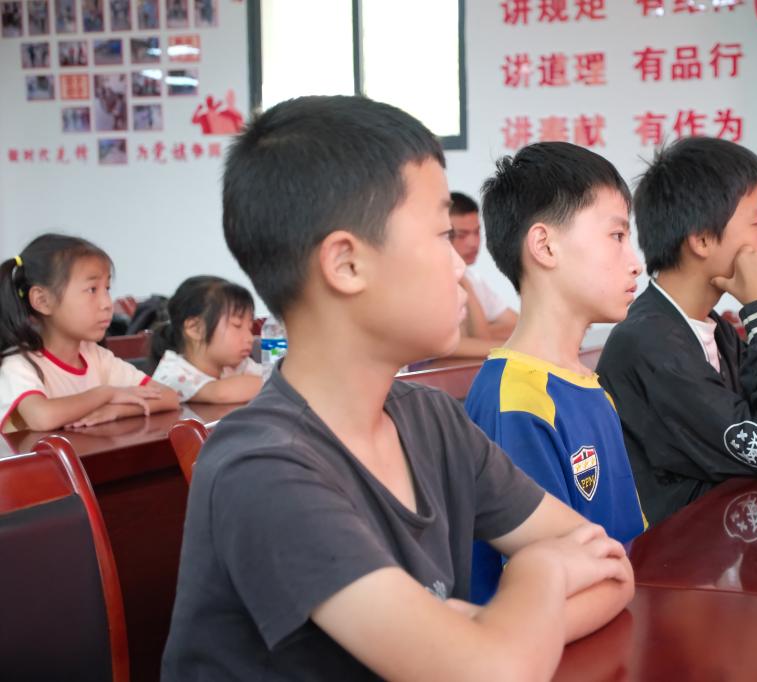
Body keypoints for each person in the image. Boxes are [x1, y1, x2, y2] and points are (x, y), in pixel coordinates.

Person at [162, 95, 634, 681]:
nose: (461, 267)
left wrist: (496, 633)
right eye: (441, 234)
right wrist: (543, 571)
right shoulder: (261, 467)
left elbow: (613, 570)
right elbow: (486, 673)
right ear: (346, 264)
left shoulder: (432, 420)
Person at [597, 137, 757, 527]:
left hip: (716, 538)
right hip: (671, 555)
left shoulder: (712, 329)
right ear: (702, 239)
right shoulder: (649, 344)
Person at [465, 142, 646, 604]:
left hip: (616, 611)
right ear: (545, 246)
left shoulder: (587, 384)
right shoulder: (518, 398)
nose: (635, 262)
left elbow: (627, 538)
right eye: (617, 235)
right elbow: (543, 589)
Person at [0, 234, 178, 432]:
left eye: (107, 289)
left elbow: (168, 396)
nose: (107, 304)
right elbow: (42, 417)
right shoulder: (18, 364)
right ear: (42, 301)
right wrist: (105, 394)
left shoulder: (96, 357)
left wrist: (118, 410)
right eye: (92, 290)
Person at [151, 275, 264, 403]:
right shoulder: (173, 372)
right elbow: (221, 393)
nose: (250, 338)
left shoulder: (238, 364)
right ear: (196, 329)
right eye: (237, 325)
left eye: (249, 328)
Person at [445, 192, 519, 359]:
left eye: (477, 232)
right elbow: (443, 346)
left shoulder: (473, 279)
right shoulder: (432, 282)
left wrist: (479, 334)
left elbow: (518, 325)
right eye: (462, 235)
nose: (473, 243)